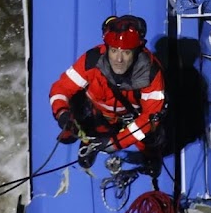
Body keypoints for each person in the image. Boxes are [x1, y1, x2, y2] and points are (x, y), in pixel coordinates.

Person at [49, 15, 166, 169]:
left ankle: (150, 157)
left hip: (130, 117)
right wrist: (62, 112)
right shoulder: (91, 60)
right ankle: (88, 144)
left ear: (136, 51)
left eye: (126, 52)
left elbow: (149, 118)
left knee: (151, 135)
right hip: (97, 111)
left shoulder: (151, 74)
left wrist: (116, 143)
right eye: (114, 50)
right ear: (107, 48)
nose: (118, 59)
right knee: (84, 120)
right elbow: (61, 88)